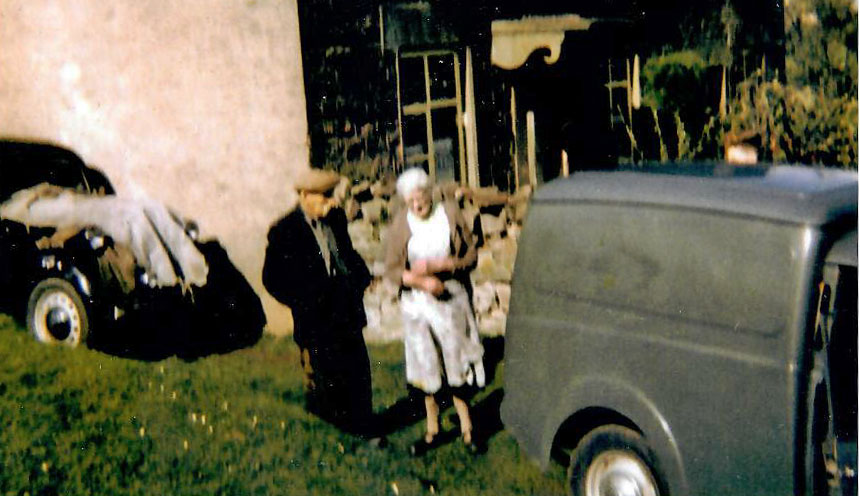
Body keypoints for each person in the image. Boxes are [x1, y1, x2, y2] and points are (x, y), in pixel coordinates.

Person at [262, 167, 376, 439]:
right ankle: (332, 434)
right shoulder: (284, 230)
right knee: (326, 377)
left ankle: (364, 428)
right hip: (315, 317)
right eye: (323, 195)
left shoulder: (335, 218)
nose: (331, 201)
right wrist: (302, 301)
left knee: (358, 370)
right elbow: (271, 279)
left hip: (345, 308)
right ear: (303, 196)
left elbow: (346, 254)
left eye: (330, 194)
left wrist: (360, 278)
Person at [384, 167, 485, 454]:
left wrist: (441, 266)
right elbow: (391, 270)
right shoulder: (401, 225)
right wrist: (421, 281)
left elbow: (471, 256)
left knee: (456, 366)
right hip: (417, 307)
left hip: (451, 301)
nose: (418, 204)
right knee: (428, 369)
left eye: (422, 197)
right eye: (411, 200)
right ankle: (433, 430)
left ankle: (468, 429)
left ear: (431, 192)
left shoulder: (449, 214)